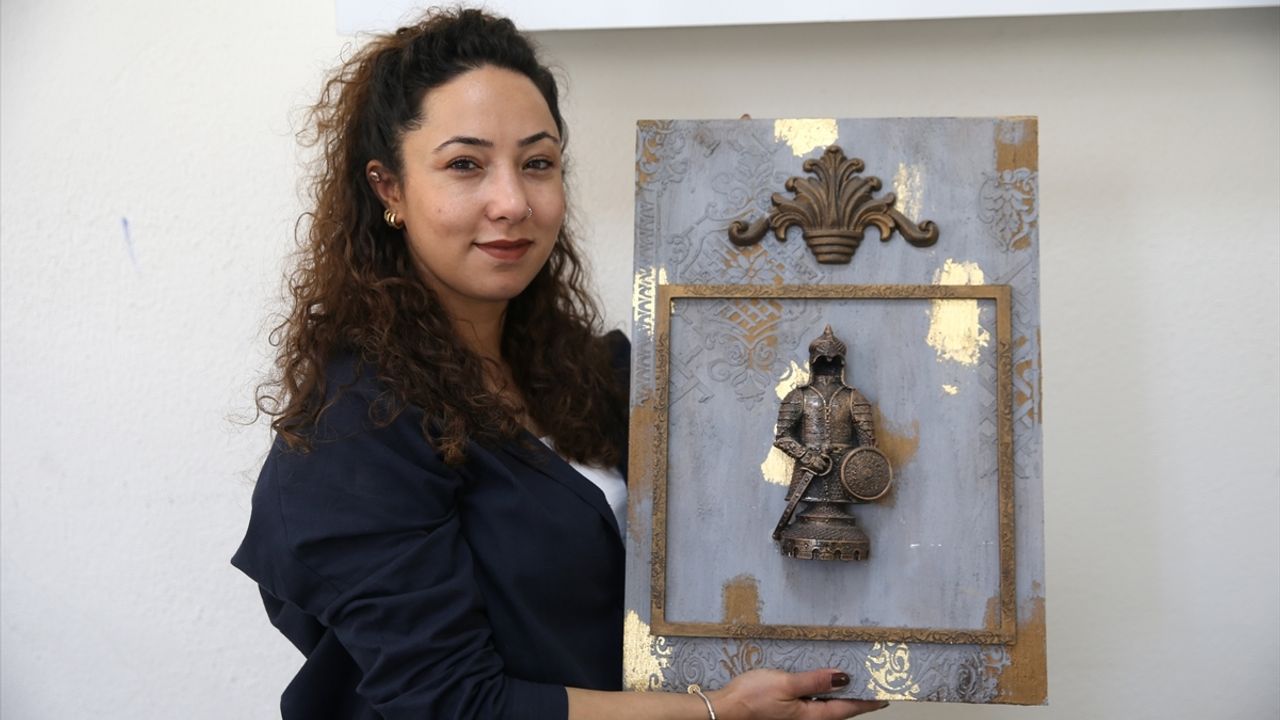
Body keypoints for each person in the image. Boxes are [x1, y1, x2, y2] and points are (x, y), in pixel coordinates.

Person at [233, 8, 890, 720]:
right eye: (465, 165)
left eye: (537, 163)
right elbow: (456, 706)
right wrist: (712, 712)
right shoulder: (356, 432)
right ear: (389, 188)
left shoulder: (591, 374)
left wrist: (740, 243)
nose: (513, 201)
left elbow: (741, 463)